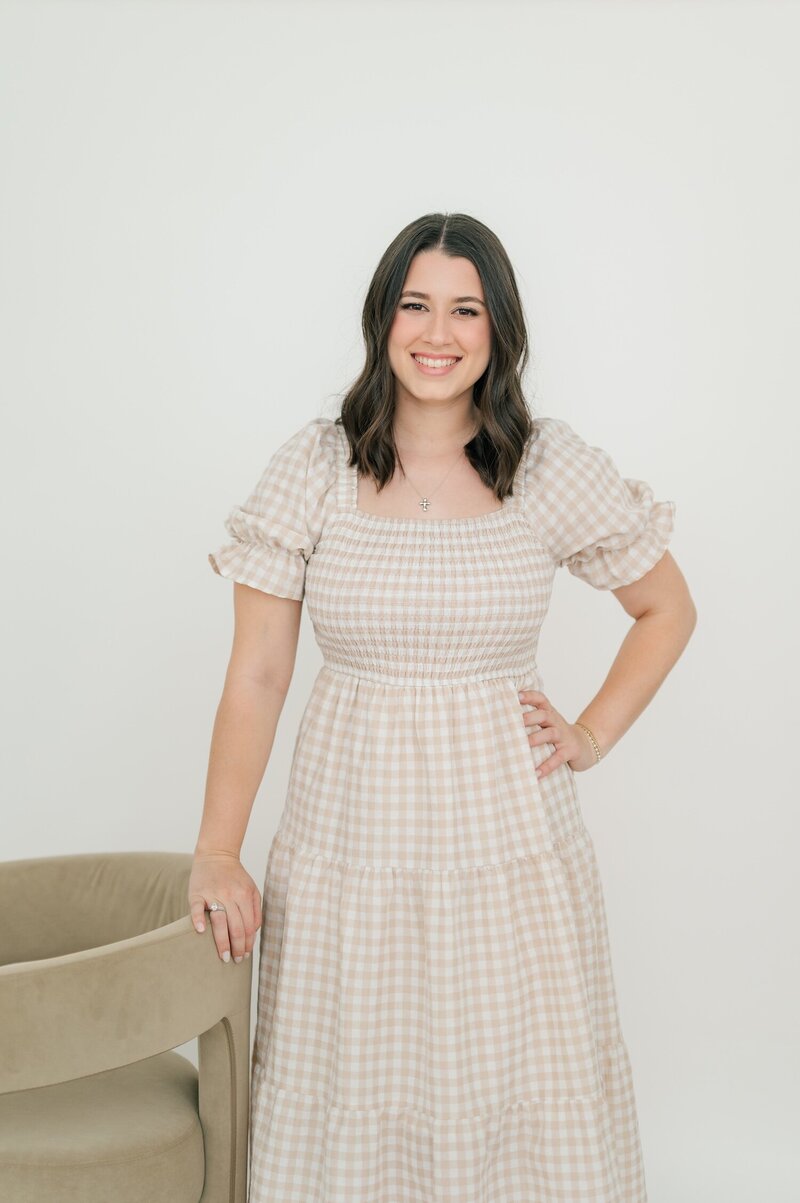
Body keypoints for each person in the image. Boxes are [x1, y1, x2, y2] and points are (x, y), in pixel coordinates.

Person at [190, 211, 696, 1202]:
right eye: (415, 304)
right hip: (349, 840)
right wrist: (217, 848)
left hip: (509, 844)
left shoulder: (547, 466)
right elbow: (256, 672)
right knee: (350, 1073)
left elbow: (664, 607)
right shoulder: (315, 467)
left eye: (465, 309)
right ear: (381, 318)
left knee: (515, 1074)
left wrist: (588, 733)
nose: (438, 332)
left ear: (498, 330)